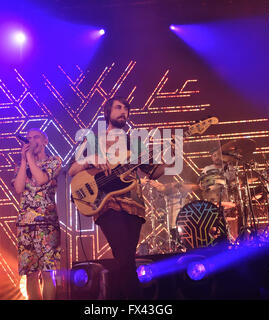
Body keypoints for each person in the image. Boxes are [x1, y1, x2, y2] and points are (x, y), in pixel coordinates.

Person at [69, 97, 170, 299]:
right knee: (125, 259)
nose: (124, 111)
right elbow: (72, 170)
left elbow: (153, 172)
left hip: (134, 206)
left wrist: (169, 156)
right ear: (108, 112)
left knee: (126, 260)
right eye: (118, 107)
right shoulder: (93, 141)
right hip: (107, 204)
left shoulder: (135, 142)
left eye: (126, 108)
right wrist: (90, 159)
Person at [12, 128, 62, 300]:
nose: (31, 141)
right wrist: (24, 161)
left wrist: (30, 160)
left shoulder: (54, 161)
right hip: (25, 224)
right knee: (30, 274)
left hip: (46, 223)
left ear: (45, 141)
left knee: (48, 272)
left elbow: (41, 180)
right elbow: (18, 188)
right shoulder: (21, 166)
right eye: (28, 138)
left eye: (36, 137)